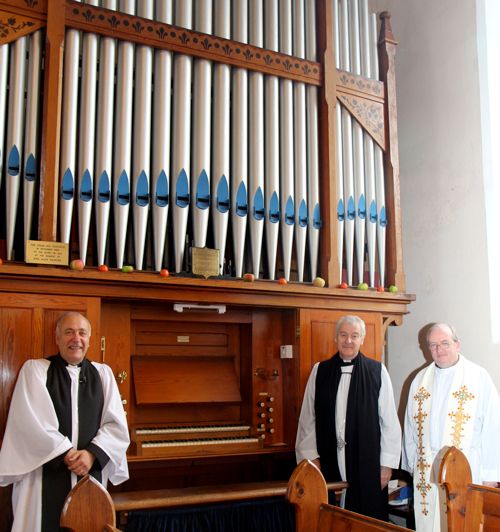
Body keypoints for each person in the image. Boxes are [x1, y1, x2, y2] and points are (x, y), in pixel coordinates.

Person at [0, 311, 130, 532]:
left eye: (82, 333)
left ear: (89, 339)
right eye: (69, 332)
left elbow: (116, 425)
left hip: (90, 474)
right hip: (43, 477)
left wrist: (91, 455)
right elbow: (31, 423)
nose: (76, 339)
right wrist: (69, 455)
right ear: (57, 337)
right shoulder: (36, 370)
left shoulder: (103, 374)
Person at [295, 314, 401, 520]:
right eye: (343, 335)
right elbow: (308, 419)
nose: (348, 341)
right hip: (327, 461)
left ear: (362, 338)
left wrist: (386, 466)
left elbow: (389, 422)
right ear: (335, 338)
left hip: (367, 464)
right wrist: (311, 458)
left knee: (365, 521)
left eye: (354, 335)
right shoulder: (320, 371)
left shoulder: (377, 371)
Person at [402, 322, 500, 532]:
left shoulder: (478, 377)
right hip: (427, 470)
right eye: (433, 345)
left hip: (468, 468)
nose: (439, 350)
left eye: (445, 343)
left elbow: (494, 426)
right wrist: (413, 464)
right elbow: (410, 428)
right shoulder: (419, 381)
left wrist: (491, 476)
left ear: (457, 345)